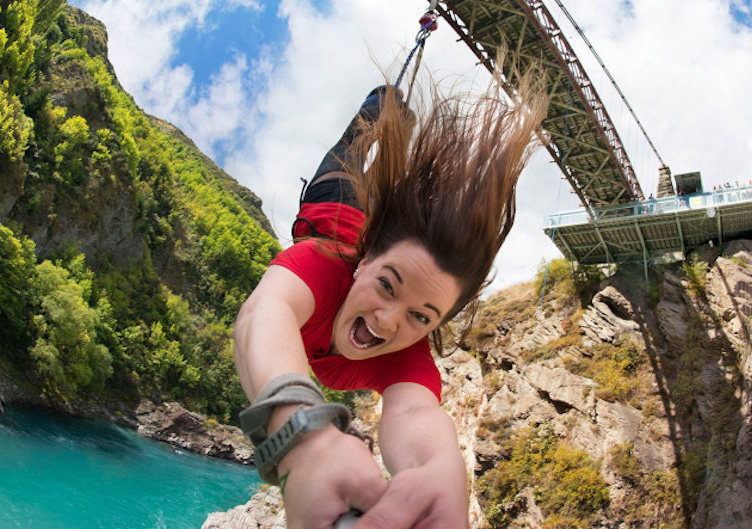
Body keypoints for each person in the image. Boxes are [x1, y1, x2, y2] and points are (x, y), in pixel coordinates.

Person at [233, 69, 547, 529]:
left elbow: (417, 413)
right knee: (356, 143)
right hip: (331, 202)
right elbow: (264, 312)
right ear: (363, 262)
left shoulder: (408, 356)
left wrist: (438, 472)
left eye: (421, 315)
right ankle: (385, 103)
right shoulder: (319, 264)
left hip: (375, 224)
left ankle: (400, 142)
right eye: (386, 285)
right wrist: (304, 438)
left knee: (390, 191)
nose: (387, 321)